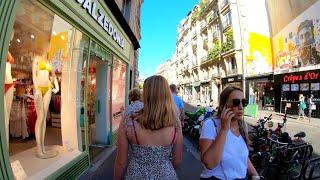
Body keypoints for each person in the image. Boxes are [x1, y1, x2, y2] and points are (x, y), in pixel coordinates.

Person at [114, 75, 183, 180]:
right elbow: (177, 160)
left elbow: (121, 162)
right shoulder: (175, 123)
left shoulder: (129, 121)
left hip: (136, 175)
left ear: (145, 94)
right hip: (166, 175)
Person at [199, 86, 259, 180]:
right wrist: (224, 129)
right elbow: (209, 164)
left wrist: (255, 174)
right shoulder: (211, 125)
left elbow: (241, 157)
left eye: (243, 102)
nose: (241, 107)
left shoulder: (242, 126)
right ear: (223, 106)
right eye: (236, 102)